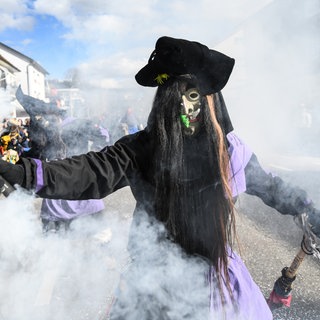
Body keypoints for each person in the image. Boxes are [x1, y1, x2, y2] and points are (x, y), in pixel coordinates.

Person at [1, 36, 320, 319]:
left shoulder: (225, 151)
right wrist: (23, 174)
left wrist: (309, 209)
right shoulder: (148, 149)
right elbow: (91, 172)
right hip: (162, 287)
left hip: (204, 290)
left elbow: (277, 189)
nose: (186, 109)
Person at [15, 86, 106, 233]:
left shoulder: (75, 124)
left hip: (72, 201)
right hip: (69, 200)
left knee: (64, 250)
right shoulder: (61, 127)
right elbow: (104, 137)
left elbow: (103, 136)